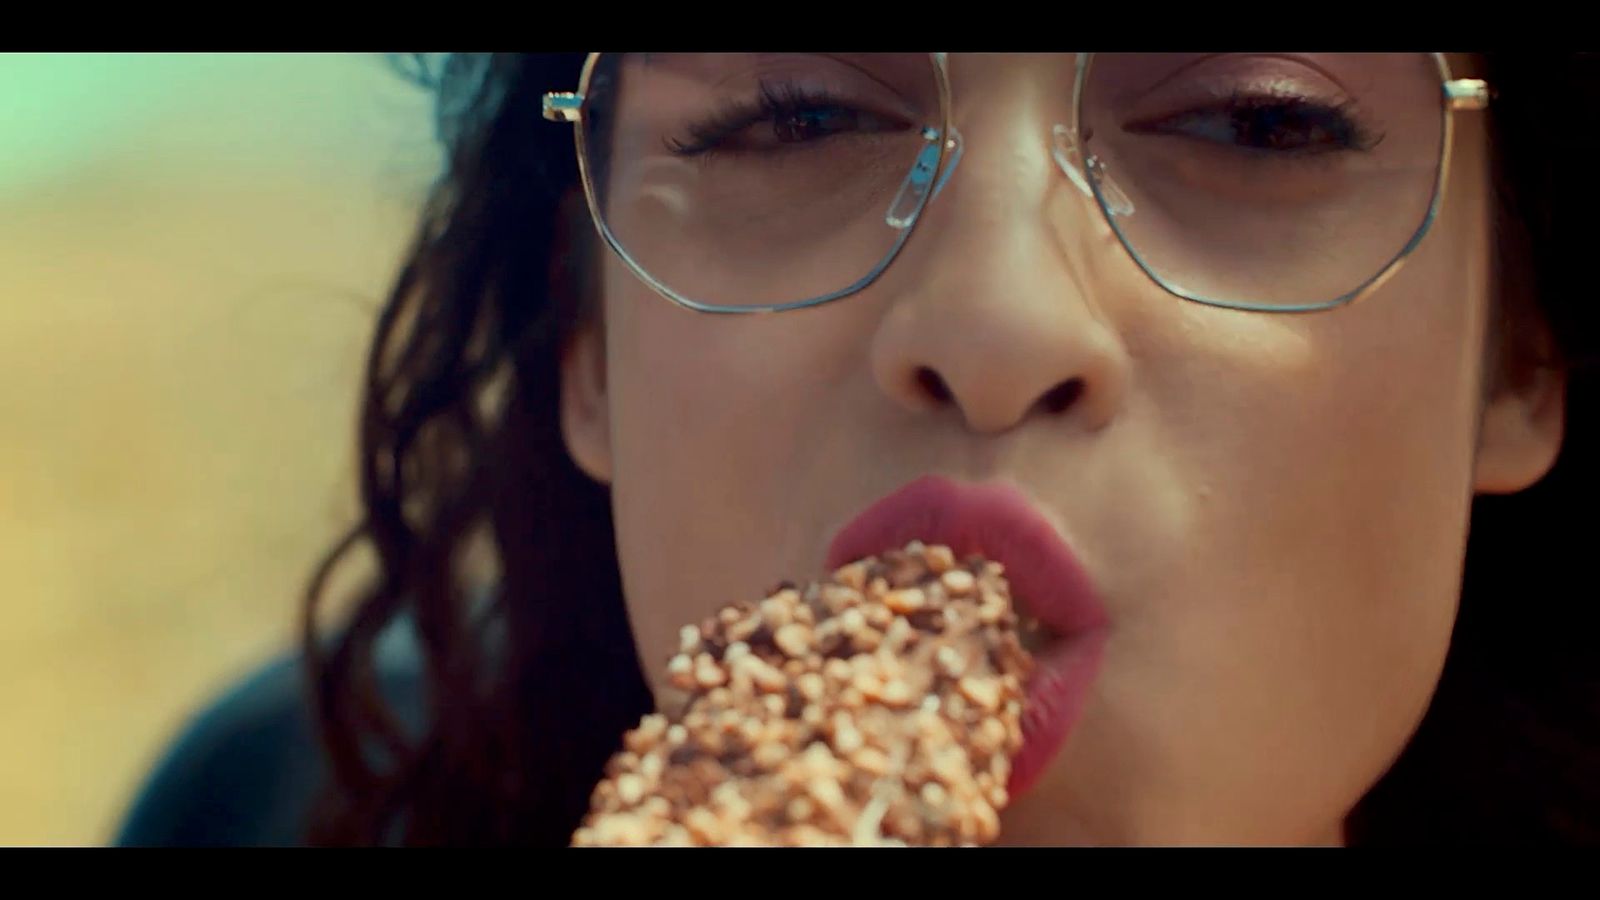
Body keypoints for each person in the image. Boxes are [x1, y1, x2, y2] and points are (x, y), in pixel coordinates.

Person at [119, 52, 1599, 847]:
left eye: (1254, 124)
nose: (998, 317)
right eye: (795, 114)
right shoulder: (259, 801)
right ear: (588, 350)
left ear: (1521, 356)